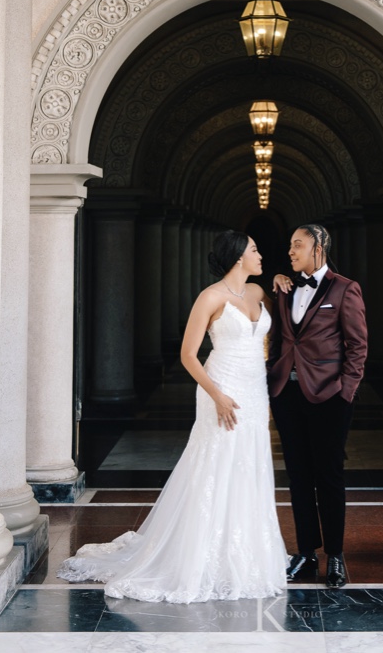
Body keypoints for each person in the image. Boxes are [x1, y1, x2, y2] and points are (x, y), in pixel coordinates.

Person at [57, 231, 286, 602]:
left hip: (254, 390)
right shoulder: (210, 297)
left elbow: (288, 313)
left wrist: (277, 280)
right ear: (237, 256)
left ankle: (244, 550)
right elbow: (188, 355)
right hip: (221, 386)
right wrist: (218, 395)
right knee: (216, 462)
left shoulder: (260, 293)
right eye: (255, 249)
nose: (262, 254)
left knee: (250, 462)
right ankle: (198, 554)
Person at [268, 224, 368, 589]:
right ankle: (306, 552)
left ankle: (336, 556)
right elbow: (279, 340)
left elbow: (357, 346)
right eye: (290, 245)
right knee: (298, 478)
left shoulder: (345, 289)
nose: (291, 251)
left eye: (298, 245)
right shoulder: (284, 288)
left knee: (329, 477)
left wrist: (346, 391)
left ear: (319, 247)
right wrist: (273, 379)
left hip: (330, 396)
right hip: (287, 395)